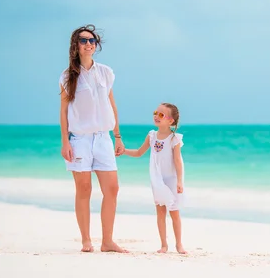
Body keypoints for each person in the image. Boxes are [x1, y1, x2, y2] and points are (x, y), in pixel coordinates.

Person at [59, 24, 128, 253]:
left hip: (103, 138)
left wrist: (117, 136)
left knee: (112, 188)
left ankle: (107, 241)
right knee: (84, 189)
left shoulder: (106, 72)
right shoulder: (68, 76)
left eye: (92, 40)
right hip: (79, 139)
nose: (89, 44)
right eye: (83, 40)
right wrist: (65, 142)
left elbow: (112, 105)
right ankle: (86, 240)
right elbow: (63, 111)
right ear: (75, 45)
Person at [123, 103, 187, 254]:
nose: (156, 116)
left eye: (161, 115)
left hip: (171, 179)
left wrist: (179, 181)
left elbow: (178, 161)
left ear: (170, 121)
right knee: (160, 212)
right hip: (157, 180)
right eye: (155, 113)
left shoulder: (174, 139)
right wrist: (124, 151)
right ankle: (164, 245)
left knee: (174, 212)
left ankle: (179, 244)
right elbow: (139, 152)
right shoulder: (152, 136)